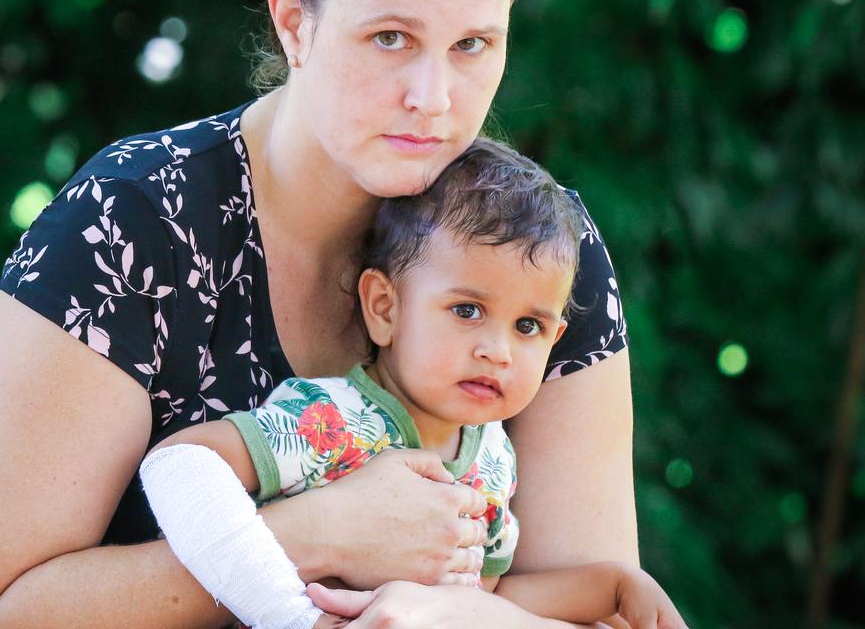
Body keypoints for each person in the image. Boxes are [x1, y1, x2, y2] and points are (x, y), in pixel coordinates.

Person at [0, 0, 637, 627]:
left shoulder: (541, 253)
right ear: (294, 21)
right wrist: (309, 535)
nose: (434, 98)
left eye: (472, 45)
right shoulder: (134, 225)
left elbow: (602, 607)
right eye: (391, 38)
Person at [139, 139, 685, 629]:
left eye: (528, 326)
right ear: (385, 307)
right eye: (467, 310)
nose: (497, 350)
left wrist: (611, 587)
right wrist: (290, 614)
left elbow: (485, 600)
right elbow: (180, 464)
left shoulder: (492, 457)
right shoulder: (331, 420)